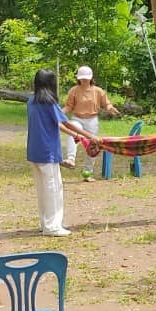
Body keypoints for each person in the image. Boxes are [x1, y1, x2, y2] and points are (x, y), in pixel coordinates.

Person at [26, 69, 97, 237]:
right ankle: (52, 227)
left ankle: (46, 223)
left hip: (34, 151)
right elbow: (66, 122)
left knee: (43, 190)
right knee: (53, 189)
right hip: (47, 152)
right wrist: (91, 136)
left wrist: (76, 135)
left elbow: (56, 124)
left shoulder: (31, 100)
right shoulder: (49, 102)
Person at [61, 65, 119, 182]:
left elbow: (106, 104)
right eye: (82, 78)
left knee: (93, 144)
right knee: (73, 132)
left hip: (92, 120)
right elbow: (69, 106)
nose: (84, 80)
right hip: (77, 118)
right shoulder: (74, 90)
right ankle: (71, 159)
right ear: (78, 78)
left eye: (86, 78)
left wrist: (110, 108)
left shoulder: (98, 91)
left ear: (91, 78)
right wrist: (59, 113)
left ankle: (88, 173)